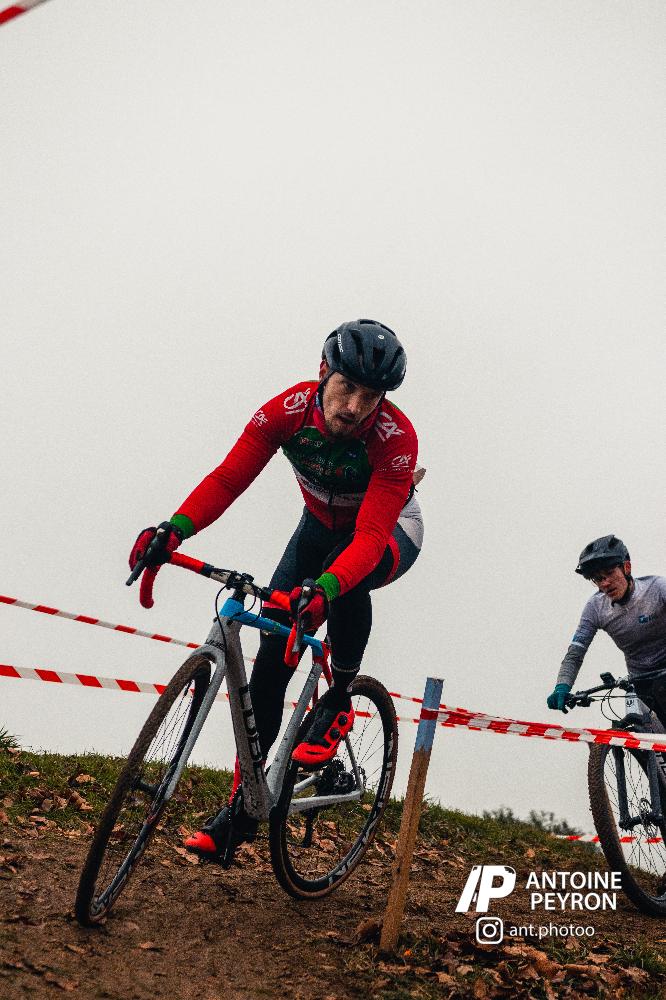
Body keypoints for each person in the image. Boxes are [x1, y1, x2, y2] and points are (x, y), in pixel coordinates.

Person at [129, 319, 424, 860]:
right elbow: (228, 479)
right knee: (269, 662)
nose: (355, 407)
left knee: (345, 581)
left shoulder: (396, 439)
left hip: (388, 533)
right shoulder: (286, 411)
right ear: (323, 372)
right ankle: (244, 808)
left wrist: (326, 588)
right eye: (346, 387)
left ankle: (339, 697)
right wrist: (174, 530)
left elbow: (369, 537)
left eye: (370, 396)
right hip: (317, 526)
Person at [547, 534, 666, 716]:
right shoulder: (595, 608)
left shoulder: (657, 588)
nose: (605, 583)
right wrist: (562, 686)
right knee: (638, 721)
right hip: (643, 683)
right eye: (597, 579)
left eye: (609, 573)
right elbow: (575, 653)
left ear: (627, 567)